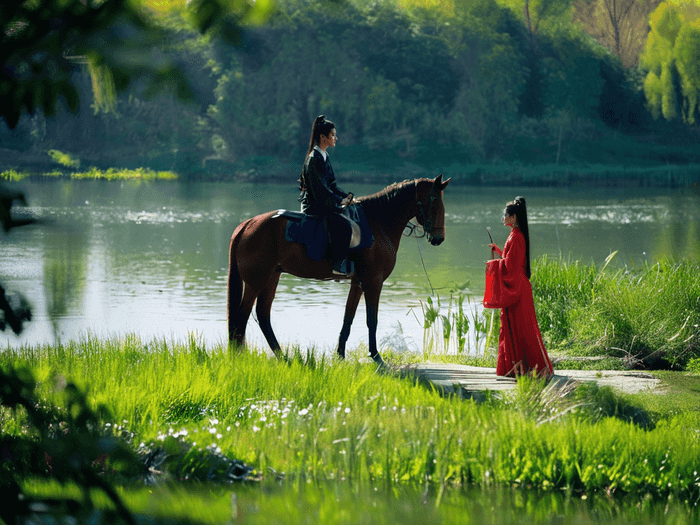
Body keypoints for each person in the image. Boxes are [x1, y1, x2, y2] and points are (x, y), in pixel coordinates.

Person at [484, 196, 553, 378]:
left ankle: (528, 369)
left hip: (519, 291)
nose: (503, 218)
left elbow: (510, 268)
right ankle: (518, 369)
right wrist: (499, 251)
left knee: (521, 330)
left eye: (505, 215)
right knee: (517, 329)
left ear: (513, 218)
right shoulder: (516, 236)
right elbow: (511, 262)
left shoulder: (516, 237)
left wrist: (493, 265)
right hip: (521, 287)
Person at [298, 115, 354, 275]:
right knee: (344, 226)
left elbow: (332, 185)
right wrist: (339, 201)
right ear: (323, 137)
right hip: (315, 205)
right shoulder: (313, 160)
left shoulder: (324, 156)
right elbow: (321, 190)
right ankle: (337, 266)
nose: (336, 138)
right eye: (333, 135)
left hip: (324, 202)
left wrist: (348, 197)